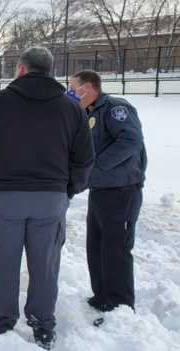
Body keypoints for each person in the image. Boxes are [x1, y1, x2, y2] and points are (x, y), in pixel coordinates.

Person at [0, 47, 95, 349]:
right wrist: (68, 189)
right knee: (46, 265)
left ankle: (3, 320)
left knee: (2, 262)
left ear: (21, 69)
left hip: (2, 198)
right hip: (50, 199)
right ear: (50, 70)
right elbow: (85, 158)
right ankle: (42, 325)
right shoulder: (71, 108)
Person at [68, 70, 147, 315]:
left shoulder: (115, 108)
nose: (70, 93)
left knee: (116, 248)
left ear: (89, 88)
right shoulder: (89, 112)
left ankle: (120, 305)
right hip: (101, 189)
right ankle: (102, 296)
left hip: (122, 190)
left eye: (73, 88)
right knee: (97, 245)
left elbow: (130, 141)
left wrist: (97, 166)